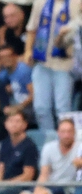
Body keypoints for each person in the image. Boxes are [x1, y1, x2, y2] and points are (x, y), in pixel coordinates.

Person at [25, 0, 79, 132]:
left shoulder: (77, 3)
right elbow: (32, 29)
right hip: (42, 62)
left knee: (62, 108)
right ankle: (49, 140)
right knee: (41, 108)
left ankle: (67, 140)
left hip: (65, 63)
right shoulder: (40, 2)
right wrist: (27, 50)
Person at [16, 117, 82, 194]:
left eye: (69, 131)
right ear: (58, 132)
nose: (66, 135)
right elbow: (44, 174)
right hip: (50, 183)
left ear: (74, 133)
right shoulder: (49, 147)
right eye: (63, 132)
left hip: (68, 186)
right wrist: (37, 189)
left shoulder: (79, 148)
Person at [0, 109, 39, 194]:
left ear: (25, 125)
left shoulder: (29, 146)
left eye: (17, 121)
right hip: (4, 184)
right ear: (6, 124)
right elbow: (1, 169)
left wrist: (6, 184)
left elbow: (28, 176)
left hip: (20, 186)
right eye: (11, 121)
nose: (14, 124)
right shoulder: (4, 144)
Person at [0, 44, 34, 126]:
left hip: (28, 108)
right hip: (14, 105)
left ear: (15, 56)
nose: (5, 59)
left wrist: (18, 107)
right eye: (2, 57)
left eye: (8, 56)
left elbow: (34, 94)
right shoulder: (3, 74)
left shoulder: (23, 71)